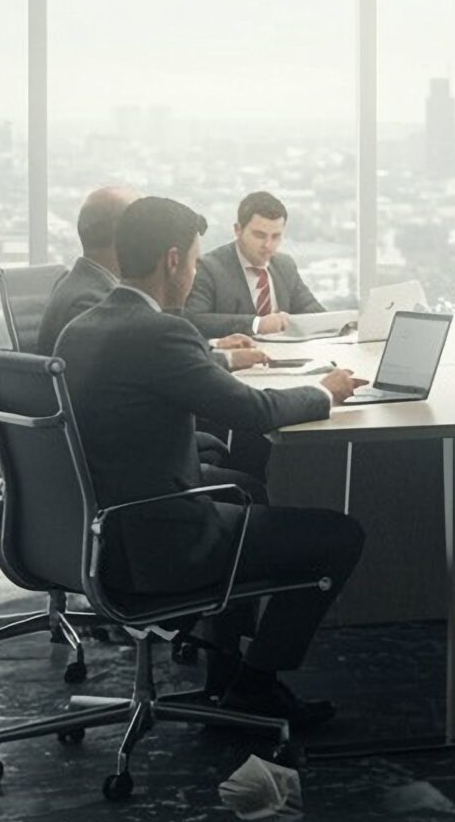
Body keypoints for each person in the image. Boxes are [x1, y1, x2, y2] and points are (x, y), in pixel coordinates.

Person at [54, 196, 364, 729]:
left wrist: (220, 357)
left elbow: (158, 369)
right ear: (173, 261)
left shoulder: (82, 327)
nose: (197, 269)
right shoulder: (159, 331)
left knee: (244, 484)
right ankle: (254, 685)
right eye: (195, 260)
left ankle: (226, 668)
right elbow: (254, 409)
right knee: (339, 537)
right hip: (161, 540)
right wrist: (325, 392)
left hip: (95, 531)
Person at [42, 185, 276, 486]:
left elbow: (139, 359)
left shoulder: (82, 286)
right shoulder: (90, 301)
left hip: (105, 467)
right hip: (130, 480)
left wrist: (217, 351)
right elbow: (143, 363)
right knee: (244, 435)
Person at [186, 191, 327, 337]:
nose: (268, 245)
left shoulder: (285, 265)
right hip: (234, 357)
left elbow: (315, 313)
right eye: (260, 235)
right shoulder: (208, 267)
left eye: (276, 236)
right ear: (238, 230)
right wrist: (257, 324)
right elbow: (194, 320)